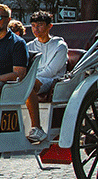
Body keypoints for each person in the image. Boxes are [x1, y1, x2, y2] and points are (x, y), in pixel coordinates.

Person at [25, 11, 68, 144]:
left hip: (53, 80)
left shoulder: (60, 46)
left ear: (49, 26)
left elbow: (51, 71)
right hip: (33, 78)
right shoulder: (29, 46)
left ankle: (37, 128)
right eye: (33, 26)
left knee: (29, 86)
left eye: (40, 25)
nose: (36, 29)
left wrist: (29, 79)